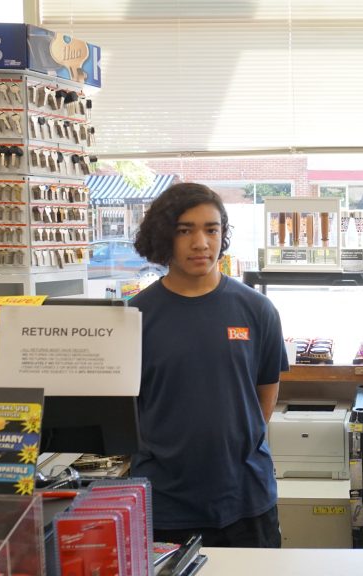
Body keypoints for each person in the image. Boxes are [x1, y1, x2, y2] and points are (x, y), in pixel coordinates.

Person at [129, 183, 289, 547]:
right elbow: (127, 411)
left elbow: (264, 399)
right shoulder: (135, 316)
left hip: (246, 500)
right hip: (164, 503)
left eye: (211, 229)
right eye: (185, 230)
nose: (201, 242)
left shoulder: (257, 310)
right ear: (163, 236)